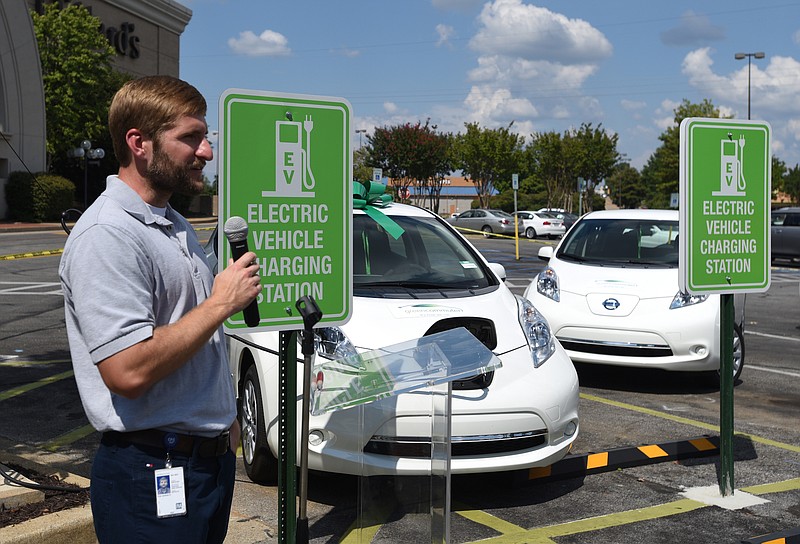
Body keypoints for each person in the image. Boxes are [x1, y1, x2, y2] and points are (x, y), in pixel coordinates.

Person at [59, 75, 260, 543]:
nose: (207, 151)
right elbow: (127, 371)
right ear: (139, 143)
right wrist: (220, 303)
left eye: (205, 136)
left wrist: (220, 419)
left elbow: (190, 336)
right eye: (191, 137)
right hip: (149, 471)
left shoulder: (174, 224)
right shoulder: (107, 235)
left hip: (203, 465)